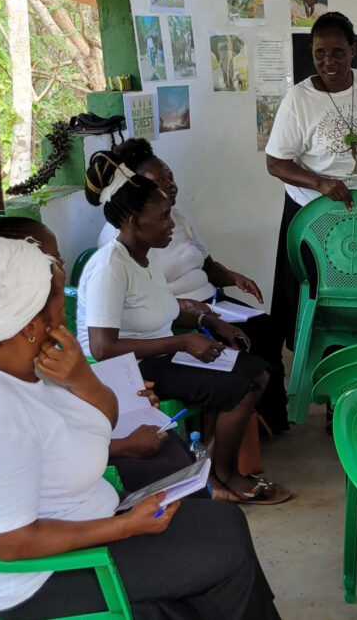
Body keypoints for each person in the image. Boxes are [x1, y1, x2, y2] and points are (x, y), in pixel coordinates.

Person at [0, 222, 279, 619]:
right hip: (36, 579)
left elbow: (88, 425)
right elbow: (12, 543)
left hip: (78, 520)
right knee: (225, 553)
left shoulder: (6, 344)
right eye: (56, 298)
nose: (65, 309)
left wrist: (82, 377)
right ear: (31, 326)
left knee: (225, 526)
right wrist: (126, 527)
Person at [79, 151, 292, 505]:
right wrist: (181, 342)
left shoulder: (143, 256)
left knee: (257, 373)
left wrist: (207, 320)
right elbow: (102, 348)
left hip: (158, 352)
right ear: (133, 220)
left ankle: (207, 473)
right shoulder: (110, 267)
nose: (171, 225)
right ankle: (221, 476)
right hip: (126, 370)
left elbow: (160, 309)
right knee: (243, 382)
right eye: (162, 218)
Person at [0, 217, 194, 492]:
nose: (60, 269)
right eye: (55, 261)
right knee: (175, 470)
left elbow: (56, 397)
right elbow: (39, 455)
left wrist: (125, 394)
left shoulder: (16, 331)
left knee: (173, 449)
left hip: (82, 451)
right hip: (62, 487)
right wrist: (125, 446)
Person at [98, 138, 289, 432]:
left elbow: (207, 264)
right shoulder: (118, 253)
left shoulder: (172, 221)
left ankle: (267, 419)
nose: (170, 184)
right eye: (159, 180)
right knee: (245, 353)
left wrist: (233, 279)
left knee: (267, 327)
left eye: (170, 176)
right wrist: (192, 322)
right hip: (172, 326)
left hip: (207, 304)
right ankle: (242, 425)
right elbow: (113, 337)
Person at [264, 11, 357, 408]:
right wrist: (321, 183)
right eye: (320, 53)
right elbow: (276, 163)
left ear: (353, 51)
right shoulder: (299, 100)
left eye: (338, 52)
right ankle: (329, 390)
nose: (328, 61)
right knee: (324, 299)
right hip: (316, 217)